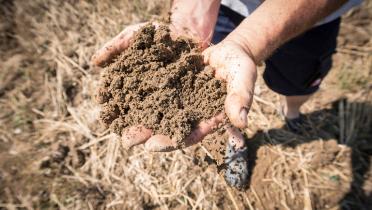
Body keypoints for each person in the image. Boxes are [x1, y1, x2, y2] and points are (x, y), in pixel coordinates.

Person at [92, 0, 363, 188]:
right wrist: (188, 18)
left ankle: (292, 112)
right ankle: (235, 140)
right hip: (228, 7)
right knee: (223, 91)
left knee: (295, 84)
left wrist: (247, 43)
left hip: (308, 15)